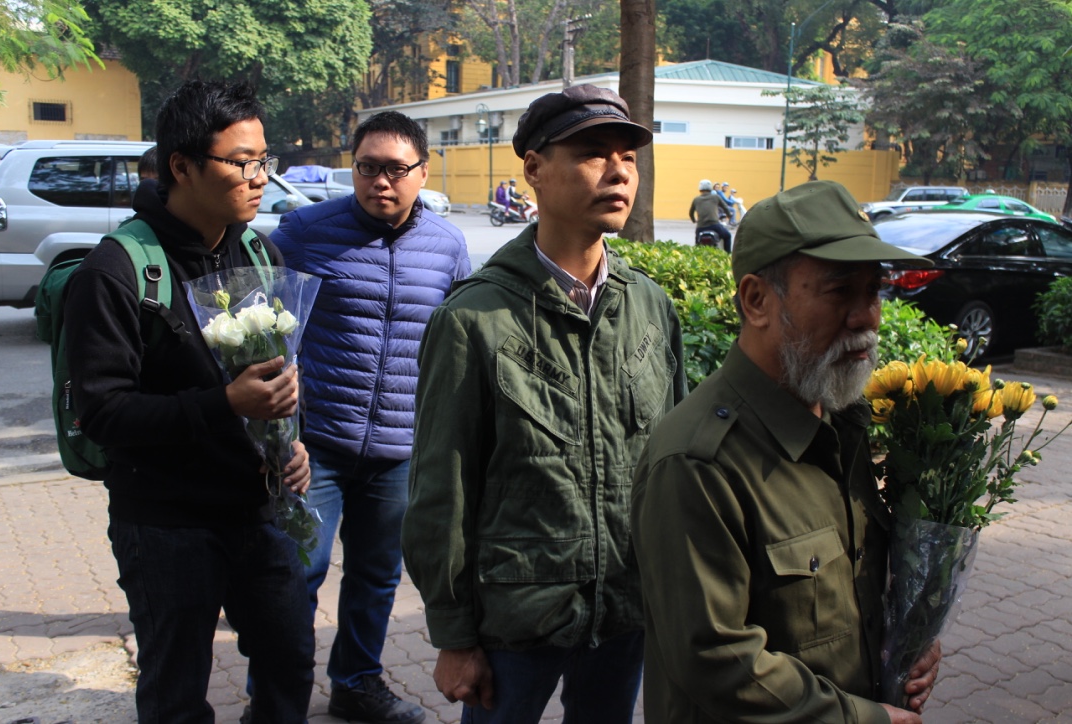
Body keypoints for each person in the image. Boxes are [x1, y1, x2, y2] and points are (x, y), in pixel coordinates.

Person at [402, 83, 688, 723]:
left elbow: (675, 464)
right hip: (517, 616)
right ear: (534, 168)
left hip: (626, 606)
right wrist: (454, 634)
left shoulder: (649, 307)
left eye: (628, 157)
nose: (618, 171)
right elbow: (441, 490)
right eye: (592, 153)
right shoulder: (474, 319)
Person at [631, 180, 942, 724]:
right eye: (840, 291)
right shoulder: (698, 463)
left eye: (873, 291)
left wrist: (907, 641)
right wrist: (862, 718)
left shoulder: (845, 422)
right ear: (757, 301)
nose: (867, 317)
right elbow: (717, 660)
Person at [64, 80, 314, 723]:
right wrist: (224, 403)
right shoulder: (117, 271)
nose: (260, 178)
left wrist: (294, 440)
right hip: (166, 522)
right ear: (182, 166)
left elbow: (281, 371)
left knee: (289, 662)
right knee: (176, 691)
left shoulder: (259, 253)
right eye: (241, 162)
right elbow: (103, 413)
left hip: (260, 511)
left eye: (264, 160)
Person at [270, 110, 470, 724]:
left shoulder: (448, 245)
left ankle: (356, 683)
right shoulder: (303, 231)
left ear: (423, 172)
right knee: (296, 574)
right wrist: (282, 436)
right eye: (367, 167)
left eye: (396, 169)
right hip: (317, 446)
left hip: (400, 451)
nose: (381, 181)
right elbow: (269, 334)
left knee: (377, 576)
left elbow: (458, 344)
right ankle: (275, 697)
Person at [689, 178, 731, 249]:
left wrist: (694, 220)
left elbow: (691, 213)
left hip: (701, 227)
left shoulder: (696, 199)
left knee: (697, 243)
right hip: (714, 225)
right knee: (727, 236)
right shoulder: (715, 197)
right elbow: (725, 207)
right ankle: (728, 254)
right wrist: (729, 215)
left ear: (700, 189)